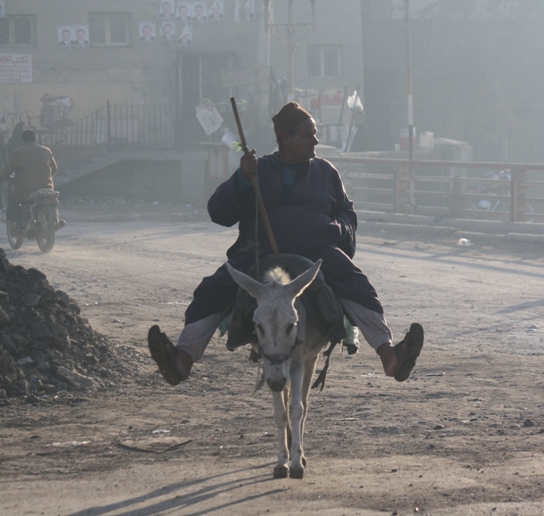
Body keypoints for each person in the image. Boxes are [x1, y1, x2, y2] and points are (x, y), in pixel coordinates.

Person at [147, 101, 424, 387]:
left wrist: (337, 229)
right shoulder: (257, 170)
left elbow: (346, 212)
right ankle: (183, 359)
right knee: (213, 289)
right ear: (286, 139)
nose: (315, 140)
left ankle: (388, 354)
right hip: (260, 252)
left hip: (318, 253)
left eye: (314, 134)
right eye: (308, 135)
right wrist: (242, 179)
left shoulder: (326, 172)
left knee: (357, 284)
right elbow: (219, 212)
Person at [1, 130, 58, 228]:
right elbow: (54, 168)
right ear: (35, 139)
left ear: (23, 140)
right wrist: (47, 179)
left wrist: (2, 176)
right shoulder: (46, 150)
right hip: (46, 188)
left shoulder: (19, 152)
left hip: (25, 190)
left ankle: (14, 223)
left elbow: (9, 169)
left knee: (12, 199)